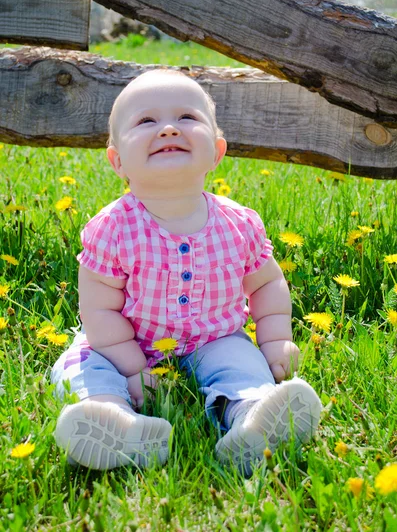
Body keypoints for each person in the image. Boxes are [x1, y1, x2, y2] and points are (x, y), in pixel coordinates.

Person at [51, 69, 322, 475]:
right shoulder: (112, 228)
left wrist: (276, 337)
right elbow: (98, 310)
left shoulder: (239, 223)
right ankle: (111, 420)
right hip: (126, 341)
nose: (168, 130)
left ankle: (252, 417)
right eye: (146, 122)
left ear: (216, 151)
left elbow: (266, 281)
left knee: (242, 366)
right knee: (80, 365)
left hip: (215, 336)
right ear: (117, 160)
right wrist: (132, 368)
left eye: (187, 118)